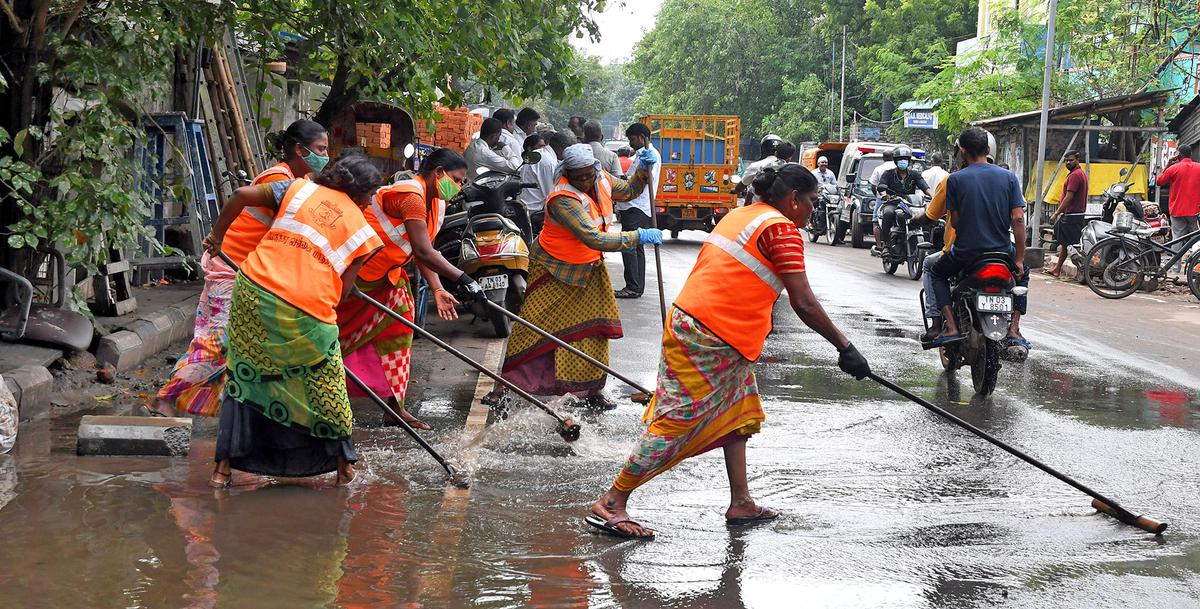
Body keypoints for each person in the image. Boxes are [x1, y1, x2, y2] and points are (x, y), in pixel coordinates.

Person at [586, 164, 871, 540]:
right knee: (678, 420)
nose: (814, 210)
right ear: (792, 199)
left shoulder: (742, 215)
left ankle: (741, 502)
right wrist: (844, 347)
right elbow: (803, 302)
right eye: (812, 202)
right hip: (711, 335)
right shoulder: (781, 229)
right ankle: (612, 501)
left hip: (706, 329)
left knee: (738, 413)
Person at [206, 154, 385, 488]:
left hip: (254, 292)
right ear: (361, 194)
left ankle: (222, 470)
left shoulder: (297, 189)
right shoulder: (364, 233)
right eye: (371, 195)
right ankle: (344, 468)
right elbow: (343, 293)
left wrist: (217, 237)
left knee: (245, 378)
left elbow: (241, 195)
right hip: (305, 309)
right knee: (326, 386)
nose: (371, 202)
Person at [149, 119, 329, 418]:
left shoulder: (297, 183)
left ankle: (238, 411)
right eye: (320, 149)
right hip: (231, 269)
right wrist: (216, 236)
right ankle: (165, 397)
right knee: (220, 340)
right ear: (300, 149)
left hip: (247, 272)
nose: (324, 156)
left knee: (241, 344)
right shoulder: (280, 180)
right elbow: (239, 196)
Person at [500, 144, 660, 410]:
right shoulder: (562, 198)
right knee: (532, 325)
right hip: (553, 269)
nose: (585, 181)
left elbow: (630, 189)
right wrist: (637, 237)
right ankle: (504, 385)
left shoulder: (603, 180)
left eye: (588, 175)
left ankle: (592, 390)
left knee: (594, 329)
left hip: (588, 268)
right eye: (578, 177)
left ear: (596, 169)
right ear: (567, 174)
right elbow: (592, 237)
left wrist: (643, 168)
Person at [336, 148, 485, 432]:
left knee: (400, 332)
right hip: (356, 277)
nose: (459, 187)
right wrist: (464, 279)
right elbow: (423, 250)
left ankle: (395, 408)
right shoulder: (411, 196)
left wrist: (438, 288)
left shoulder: (435, 203)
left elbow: (423, 251)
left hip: (388, 277)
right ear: (438, 173)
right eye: (457, 179)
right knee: (337, 337)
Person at [927, 128, 1027, 346]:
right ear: (989, 150)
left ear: (962, 152)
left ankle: (951, 327)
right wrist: (1018, 259)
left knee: (936, 273)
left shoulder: (955, 180)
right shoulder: (1009, 178)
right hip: (1002, 251)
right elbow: (1018, 219)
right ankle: (1014, 328)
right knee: (1023, 274)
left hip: (966, 252)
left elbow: (956, 220)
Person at [615, 123, 661, 299]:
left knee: (629, 246)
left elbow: (645, 179)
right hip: (636, 207)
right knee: (636, 247)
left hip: (636, 207)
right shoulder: (641, 154)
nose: (630, 143)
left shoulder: (649, 155)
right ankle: (636, 286)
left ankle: (633, 286)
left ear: (642, 137)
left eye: (632, 139)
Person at [872, 145, 930, 255]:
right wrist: (884, 195)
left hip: (910, 204)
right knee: (888, 213)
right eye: (900, 160)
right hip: (893, 202)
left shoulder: (914, 174)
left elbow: (924, 186)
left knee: (925, 215)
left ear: (909, 161)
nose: (903, 162)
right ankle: (886, 245)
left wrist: (932, 195)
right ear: (895, 161)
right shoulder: (888, 173)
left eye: (905, 159)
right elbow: (881, 186)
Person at [1047, 150, 1089, 277]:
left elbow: (1069, 197)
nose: (1068, 162)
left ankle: (1083, 269)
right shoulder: (1077, 174)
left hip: (1072, 214)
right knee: (1065, 243)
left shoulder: (1076, 175)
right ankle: (1057, 268)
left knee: (1069, 243)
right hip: (1074, 214)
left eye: (1071, 160)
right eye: (1066, 160)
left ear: (1077, 159)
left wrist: (1056, 213)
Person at [1155, 144, 1200, 244]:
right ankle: (1195, 259)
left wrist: (1168, 165)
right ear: (1191, 154)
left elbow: (1159, 181)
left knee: (1177, 238)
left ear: (1178, 154)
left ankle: (1176, 260)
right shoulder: (1199, 168)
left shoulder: (1173, 168)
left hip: (1177, 209)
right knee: (1197, 238)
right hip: (1195, 210)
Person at [520, 133, 559, 237]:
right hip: (535, 212)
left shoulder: (538, 157)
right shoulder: (546, 161)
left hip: (527, 209)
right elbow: (550, 195)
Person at [733, 134, 783, 202]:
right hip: (781, 211)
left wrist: (733, 191)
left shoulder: (756, 166)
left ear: (763, 149)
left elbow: (741, 187)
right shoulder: (788, 168)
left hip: (758, 209)